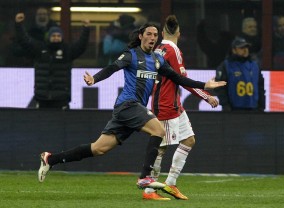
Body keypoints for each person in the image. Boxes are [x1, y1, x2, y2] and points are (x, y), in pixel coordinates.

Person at [37, 23, 226, 191]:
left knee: (99, 148)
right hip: (128, 105)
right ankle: (145, 177)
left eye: (155, 35)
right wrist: (95, 78)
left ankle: (51, 159)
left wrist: (204, 86)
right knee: (159, 131)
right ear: (140, 36)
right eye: (149, 34)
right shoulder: (131, 55)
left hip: (132, 110)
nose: (153, 38)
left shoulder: (158, 60)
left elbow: (178, 78)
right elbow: (112, 68)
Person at [141, 15, 219, 201]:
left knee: (189, 140)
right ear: (179, 33)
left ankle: (171, 183)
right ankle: (149, 191)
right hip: (167, 105)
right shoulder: (174, 51)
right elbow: (184, 81)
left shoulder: (159, 49)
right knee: (161, 147)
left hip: (172, 103)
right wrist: (206, 96)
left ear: (161, 33)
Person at [15, 13, 90, 109]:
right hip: (42, 99)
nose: (56, 38)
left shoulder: (67, 51)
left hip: (61, 99)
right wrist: (18, 24)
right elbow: (24, 41)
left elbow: (81, 46)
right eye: (53, 35)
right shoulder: (39, 49)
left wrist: (86, 29)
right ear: (48, 37)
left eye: (58, 36)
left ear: (61, 37)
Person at [215, 36, 265, 112]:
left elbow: (260, 86)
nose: (245, 50)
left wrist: (261, 105)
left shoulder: (255, 65)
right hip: (234, 109)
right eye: (241, 48)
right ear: (234, 50)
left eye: (246, 47)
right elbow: (219, 87)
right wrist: (225, 105)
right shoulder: (226, 65)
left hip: (253, 108)